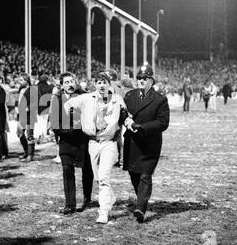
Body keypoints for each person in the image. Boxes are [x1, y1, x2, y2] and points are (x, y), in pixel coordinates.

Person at [65, 72, 126, 224]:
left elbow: (125, 114)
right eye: (98, 82)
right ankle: (110, 197)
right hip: (92, 142)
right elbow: (68, 105)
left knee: (104, 177)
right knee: (98, 178)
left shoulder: (117, 99)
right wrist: (78, 120)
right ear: (95, 84)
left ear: (109, 84)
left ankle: (103, 211)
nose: (101, 85)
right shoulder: (87, 98)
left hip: (109, 142)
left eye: (104, 82)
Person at [121, 64, 170, 223]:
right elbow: (121, 112)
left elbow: (163, 123)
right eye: (139, 78)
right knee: (134, 174)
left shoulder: (160, 99)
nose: (141, 81)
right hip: (132, 142)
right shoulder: (130, 96)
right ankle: (140, 200)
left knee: (145, 175)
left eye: (144, 78)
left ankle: (141, 207)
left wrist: (142, 127)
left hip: (149, 143)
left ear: (151, 80)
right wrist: (126, 120)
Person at [50, 72, 93, 215]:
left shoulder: (85, 96)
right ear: (62, 85)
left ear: (76, 82)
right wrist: (68, 131)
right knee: (67, 170)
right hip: (66, 141)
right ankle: (70, 204)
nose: (70, 84)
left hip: (83, 140)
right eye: (66, 82)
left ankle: (87, 197)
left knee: (87, 170)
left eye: (72, 81)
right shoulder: (56, 99)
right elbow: (55, 124)